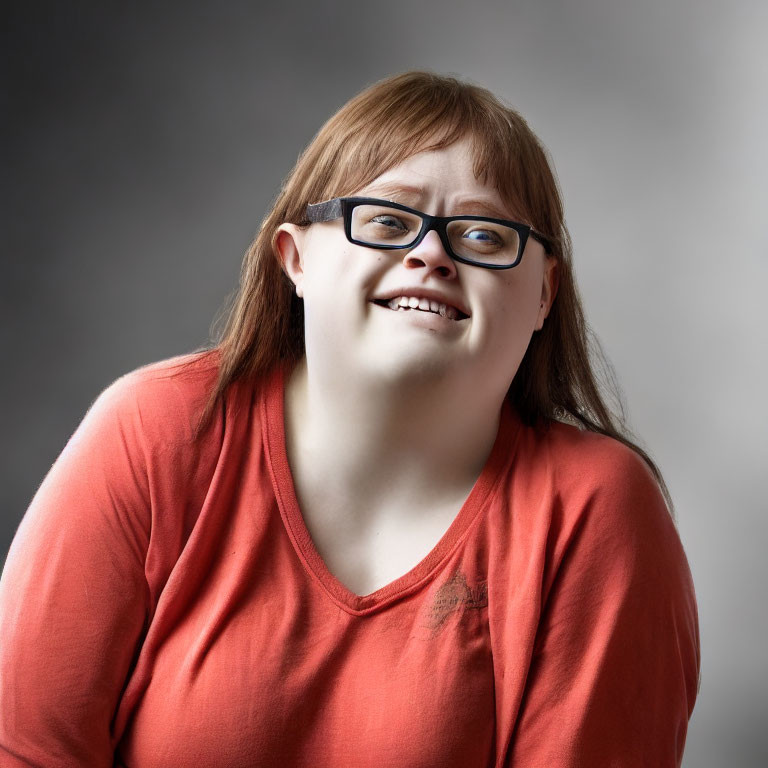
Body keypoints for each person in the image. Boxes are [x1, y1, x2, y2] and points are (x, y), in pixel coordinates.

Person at [0, 71, 700, 767]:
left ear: (544, 293)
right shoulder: (154, 429)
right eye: (389, 222)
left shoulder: (598, 511)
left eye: (483, 237)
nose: (432, 255)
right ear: (295, 259)